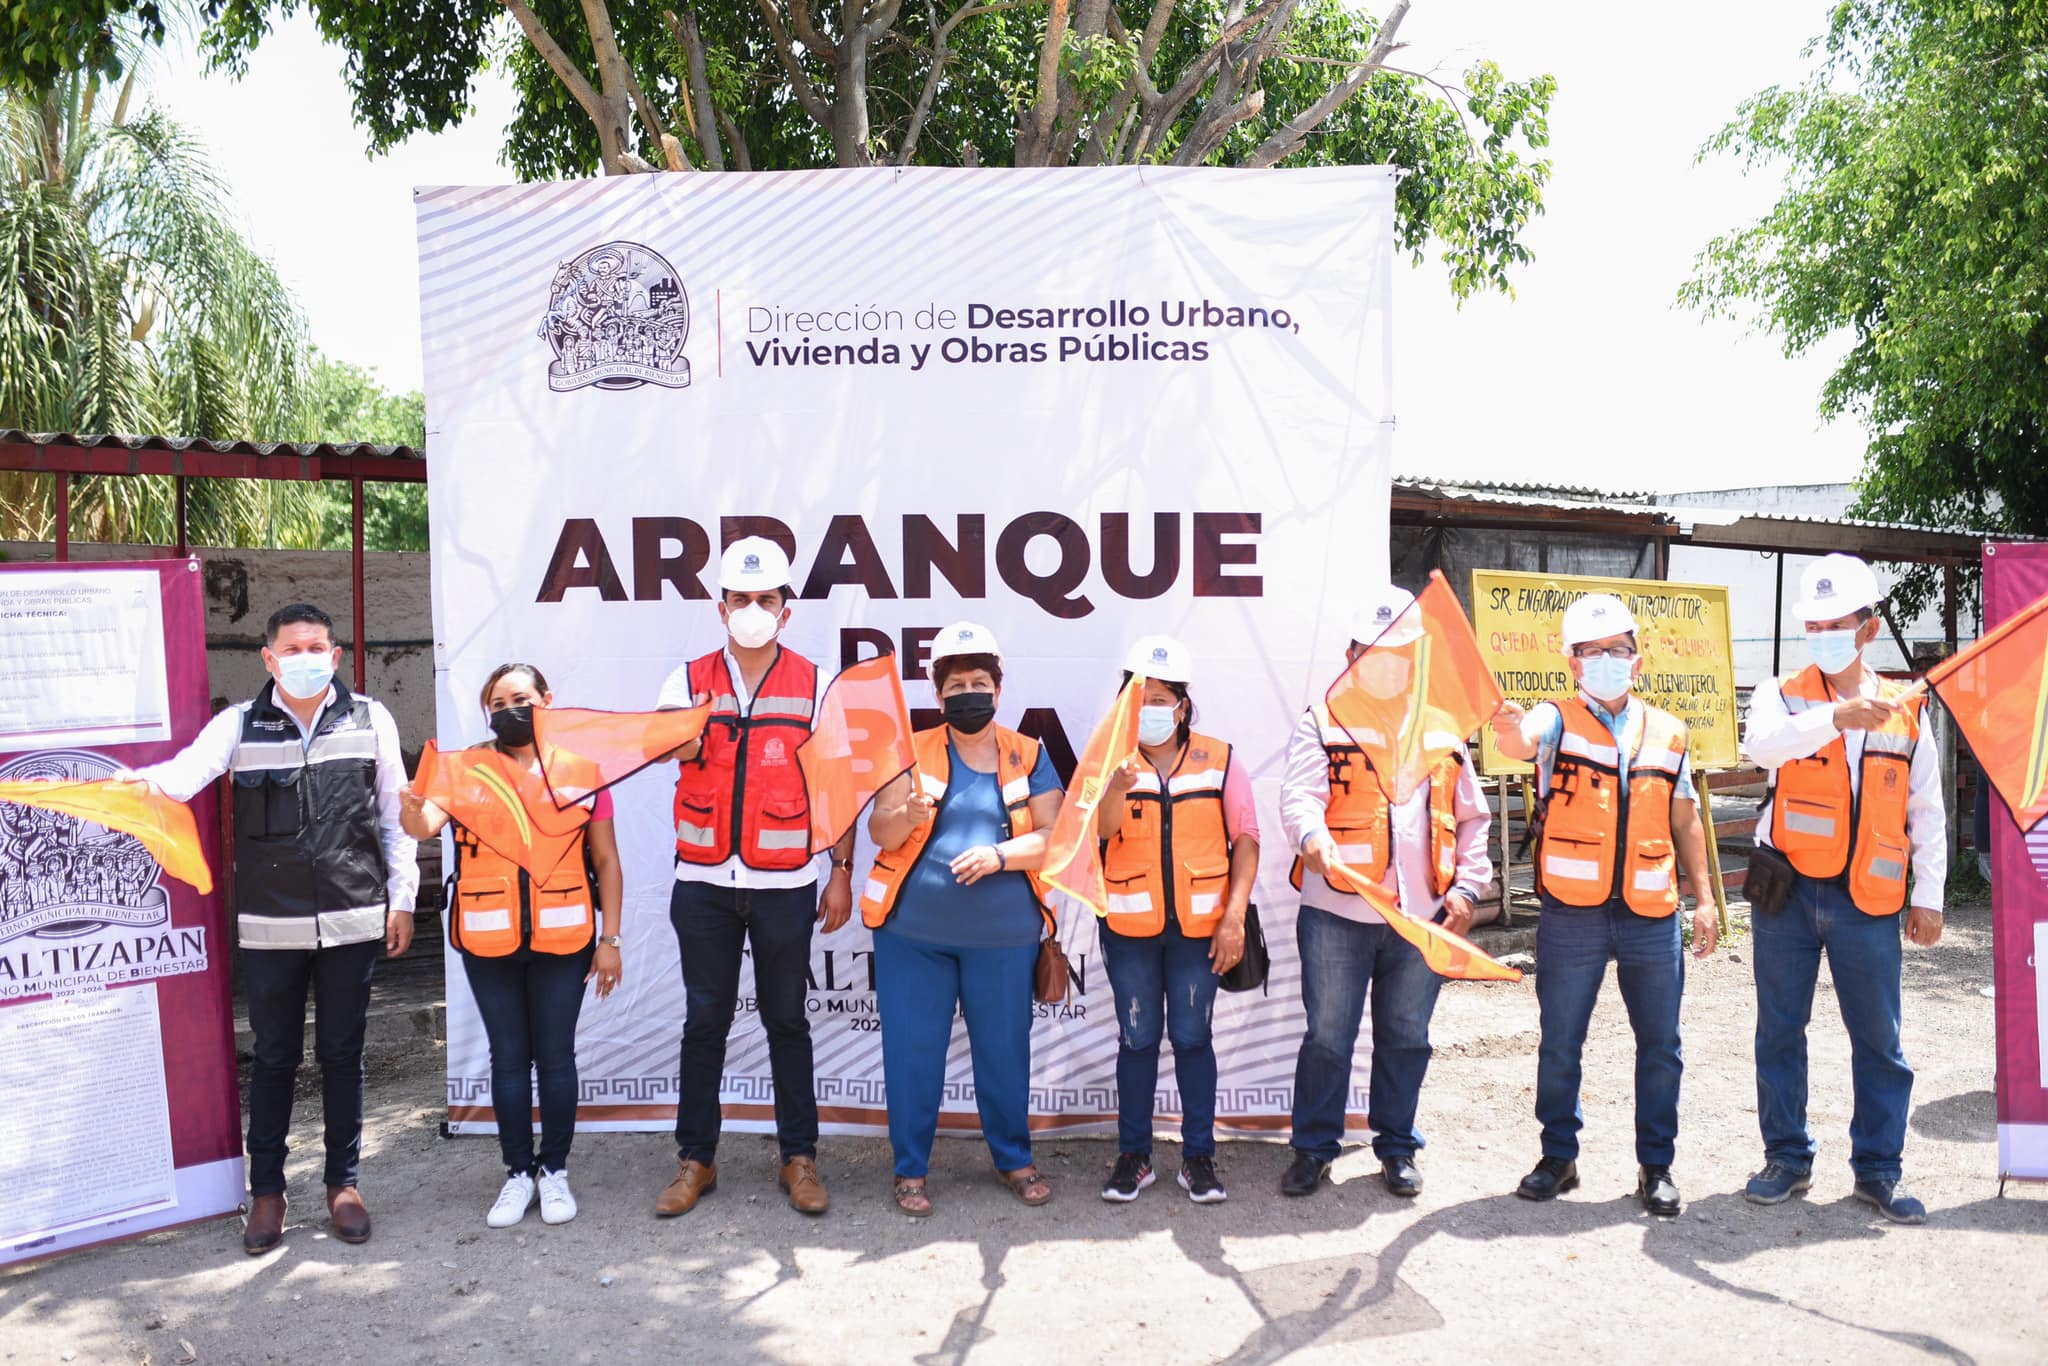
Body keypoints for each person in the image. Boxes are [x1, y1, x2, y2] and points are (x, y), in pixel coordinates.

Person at [126, 602, 417, 1253]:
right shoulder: (237, 726)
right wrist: (121, 785)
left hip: (353, 921)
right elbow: (178, 779)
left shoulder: (371, 719)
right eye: (294, 649)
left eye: (318, 647)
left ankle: (343, 1186)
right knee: (276, 1059)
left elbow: (397, 817)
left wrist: (404, 899)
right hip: (270, 930)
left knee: (343, 1055)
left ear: (336, 656)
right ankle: (268, 1193)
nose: (307, 659)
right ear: (269, 657)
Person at [1491, 592, 1717, 1216]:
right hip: (1573, 910)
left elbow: (1686, 816)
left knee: (1661, 1045)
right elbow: (1519, 740)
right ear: (1571, 662)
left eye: (1618, 650)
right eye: (1591, 652)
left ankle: (1656, 1166)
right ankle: (1558, 1157)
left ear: (1637, 661)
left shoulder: (1669, 732)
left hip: (1651, 912)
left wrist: (1704, 900)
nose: (1606, 661)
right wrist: (1510, 726)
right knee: (1561, 1039)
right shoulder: (1554, 718)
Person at [1740, 553, 1945, 1224]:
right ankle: (1787, 1161)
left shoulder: (1906, 710)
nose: (1823, 634)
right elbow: (1762, 748)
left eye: (1837, 622)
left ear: (1868, 628)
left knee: (1880, 1040)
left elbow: (1928, 811)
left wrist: (1931, 895)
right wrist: (1834, 719)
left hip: (1869, 899)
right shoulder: (1781, 693)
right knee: (1779, 1030)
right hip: (1789, 891)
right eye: (1814, 623)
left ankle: (1879, 1173)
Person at [653, 537, 855, 1219]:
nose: (752, 610)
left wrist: (841, 872)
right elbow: (663, 750)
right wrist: (686, 730)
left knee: (787, 1021)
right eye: (740, 599)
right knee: (704, 1021)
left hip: (787, 881)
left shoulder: (818, 682)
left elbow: (838, 789)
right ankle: (696, 1159)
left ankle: (799, 1158)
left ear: (786, 610)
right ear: (721, 606)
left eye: (766, 599)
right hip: (703, 881)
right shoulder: (685, 680)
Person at [1279, 585, 1494, 1200]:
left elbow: (1471, 818)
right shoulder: (1322, 720)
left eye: (1398, 651)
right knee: (1328, 1034)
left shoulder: (1442, 728)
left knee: (1406, 1035)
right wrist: (1313, 838)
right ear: (1350, 653)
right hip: (1338, 913)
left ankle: (1396, 1146)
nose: (1385, 662)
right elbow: (1298, 797)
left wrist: (1468, 890)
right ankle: (1313, 1149)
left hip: (1420, 917)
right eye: (1373, 651)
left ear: (1416, 656)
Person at [400, 663, 624, 1228]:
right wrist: (409, 807)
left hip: (566, 937)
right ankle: (517, 1174)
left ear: (547, 699)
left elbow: (607, 861)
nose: (508, 710)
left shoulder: (581, 772)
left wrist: (611, 939)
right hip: (487, 935)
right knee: (507, 1056)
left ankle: (555, 1173)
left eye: (519, 698)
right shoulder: (466, 770)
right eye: (496, 703)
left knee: (554, 1056)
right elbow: (424, 824)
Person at [860, 622, 1064, 1217]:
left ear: (999, 690)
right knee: (911, 1052)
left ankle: (1014, 1159)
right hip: (912, 936)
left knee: (1005, 1052)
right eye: (955, 684)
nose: (968, 692)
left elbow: (1056, 840)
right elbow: (879, 829)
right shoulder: (908, 749)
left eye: (980, 681)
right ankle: (910, 1171)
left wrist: (1000, 856)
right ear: (936, 691)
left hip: (1003, 938)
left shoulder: (1029, 753)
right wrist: (907, 814)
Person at [1094, 635, 1260, 1204]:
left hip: (1199, 930)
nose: (1151, 710)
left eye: (1161, 697)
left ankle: (1198, 1158)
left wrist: (1234, 916)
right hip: (1129, 930)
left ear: (1183, 705)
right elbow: (1095, 833)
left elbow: (1247, 839)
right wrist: (1115, 786)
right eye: (1140, 697)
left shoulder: (1220, 759)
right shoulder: (1107, 762)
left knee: (1192, 1039)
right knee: (1137, 1039)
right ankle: (1134, 1157)